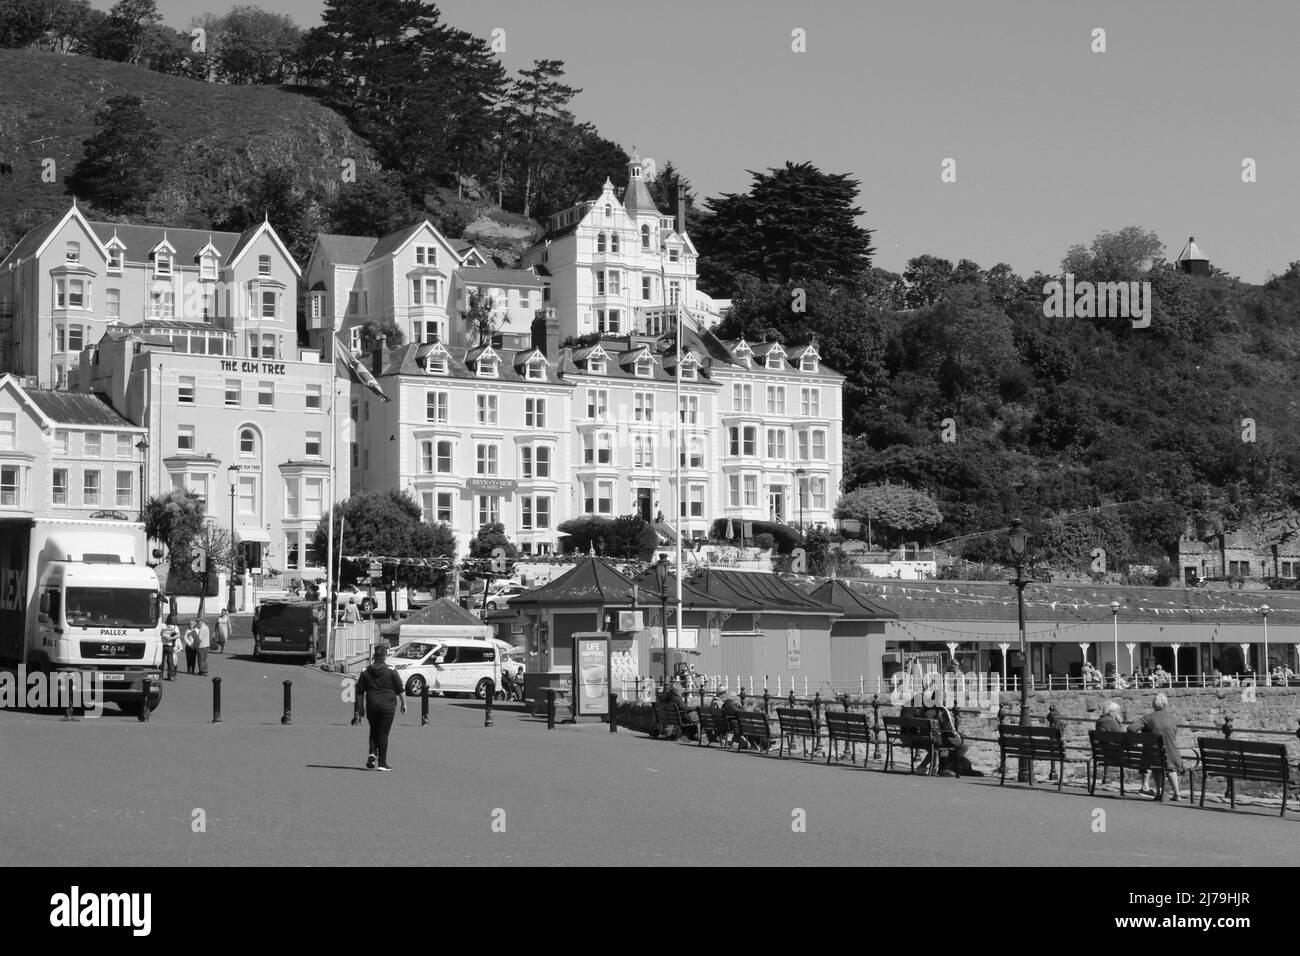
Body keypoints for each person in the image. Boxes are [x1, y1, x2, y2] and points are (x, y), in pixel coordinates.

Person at [355, 644, 406, 771]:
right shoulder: (391, 670)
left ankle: (372, 753)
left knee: (373, 729)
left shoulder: (365, 671)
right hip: (387, 706)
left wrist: (360, 708)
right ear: (385, 656)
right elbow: (400, 689)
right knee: (383, 734)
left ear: (374, 656)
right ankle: (382, 763)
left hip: (372, 705)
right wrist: (404, 703)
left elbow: (360, 692)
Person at [1131, 693, 1185, 801]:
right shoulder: (1173, 719)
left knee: (1156, 765)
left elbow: (1131, 729)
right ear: (1166, 705)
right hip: (1171, 755)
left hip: (1153, 756)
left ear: (1153, 705)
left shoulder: (1147, 718)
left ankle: (1160, 791)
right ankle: (1177, 794)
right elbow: (1172, 735)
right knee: (1169, 767)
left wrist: (1142, 737)